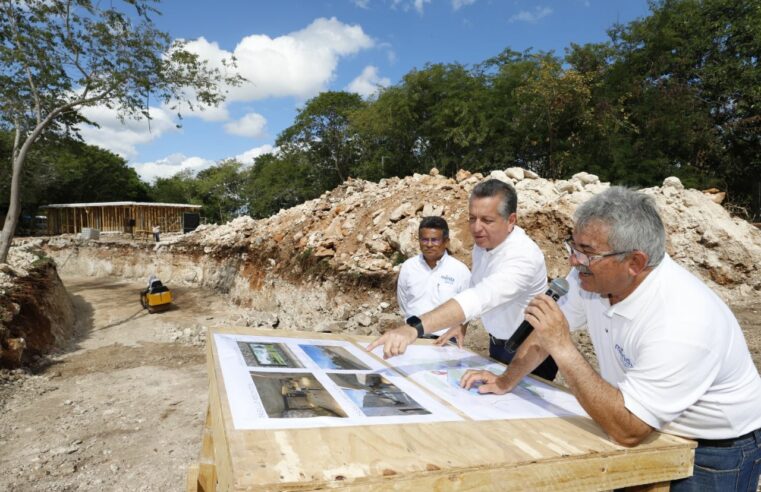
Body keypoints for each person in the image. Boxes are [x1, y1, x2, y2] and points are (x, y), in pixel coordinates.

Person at [461, 186, 761, 491]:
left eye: (587, 252)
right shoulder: (590, 279)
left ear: (635, 262)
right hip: (644, 421)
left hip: (712, 448)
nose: (574, 262)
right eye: (573, 247)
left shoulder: (683, 320)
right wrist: (504, 380)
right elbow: (544, 332)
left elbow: (628, 429)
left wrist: (563, 347)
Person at [369, 178, 559, 381]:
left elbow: (481, 296)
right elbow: (476, 286)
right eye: (472, 218)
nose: (476, 228)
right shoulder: (483, 244)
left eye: (487, 220)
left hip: (530, 351)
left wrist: (413, 329)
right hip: (497, 345)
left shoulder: (523, 256)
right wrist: (461, 323)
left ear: (511, 220)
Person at [396, 216, 471, 339]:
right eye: (424, 240)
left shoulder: (460, 271)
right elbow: (403, 302)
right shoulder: (408, 267)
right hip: (412, 338)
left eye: (435, 240)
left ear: (446, 241)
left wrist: (460, 329)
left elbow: (468, 306)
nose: (429, 245)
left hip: (445, 340)